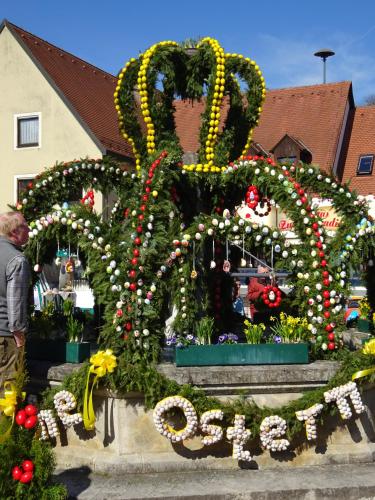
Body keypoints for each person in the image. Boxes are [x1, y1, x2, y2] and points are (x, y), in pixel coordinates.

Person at [0, 212, 30, 393]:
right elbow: (15, 304)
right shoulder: (17, 260)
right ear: (14, 231)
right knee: (7, 393)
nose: (28, 229)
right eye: (25, 226)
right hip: (5, 336)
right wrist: (19, 337)